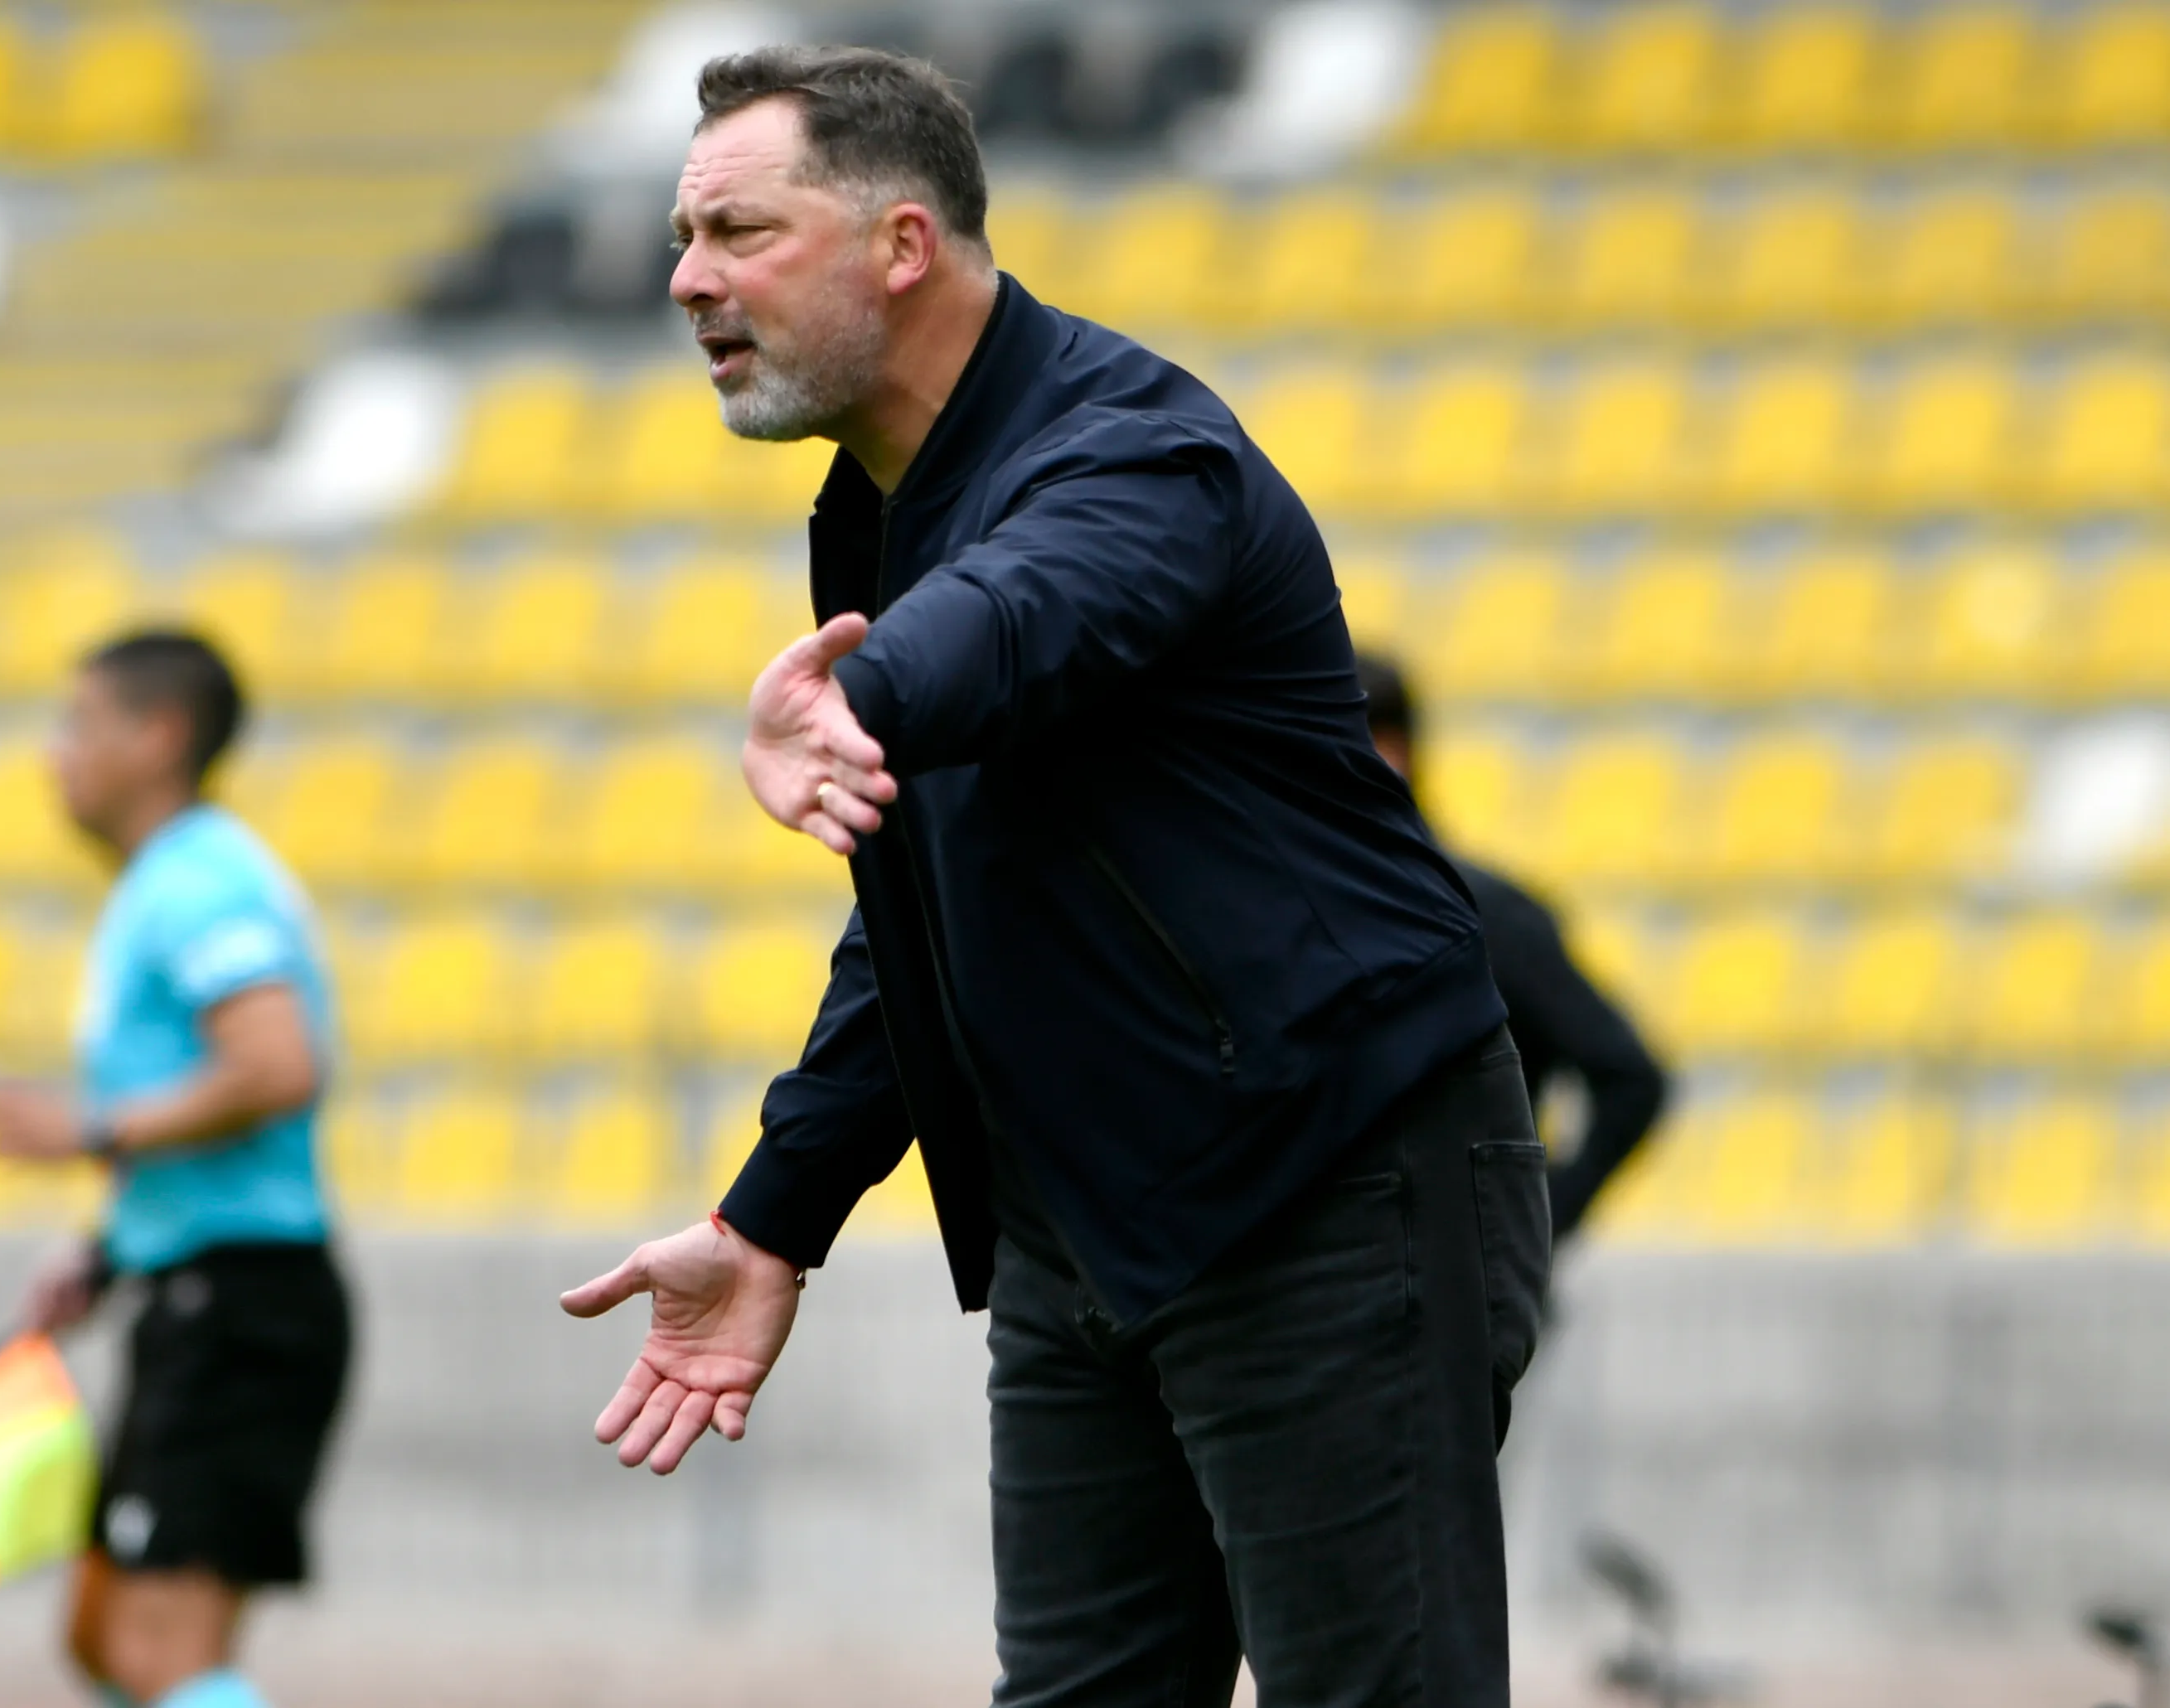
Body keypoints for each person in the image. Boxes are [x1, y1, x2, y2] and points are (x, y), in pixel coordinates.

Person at [561, 46, 1549, 1707]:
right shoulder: (882, 507)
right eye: (681, 234)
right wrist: (772, 1215)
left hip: (1327, 1183)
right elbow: (929, 918)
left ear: (899, 245)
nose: (686, 278)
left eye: (737, 230)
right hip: (1081, 1225)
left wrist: (853, 697)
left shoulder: (1137, 449)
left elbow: (1024, 610)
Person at [0, 631, 351, 1708]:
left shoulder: (199, 881)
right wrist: (107, 1245)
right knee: (103, 1637)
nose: (56, 755)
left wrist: (94, 1134)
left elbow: (275, 1066)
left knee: (157, 1651)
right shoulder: (173, 882)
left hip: (244, 1306)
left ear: (159, 736)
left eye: (79, 724)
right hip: (201, 1289)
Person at [1358, 652, 1671, 1241]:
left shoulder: (1487, 917)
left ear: (1390, 751)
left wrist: (1535, 1222)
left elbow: (1630, 1077)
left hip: (1461, 1305)